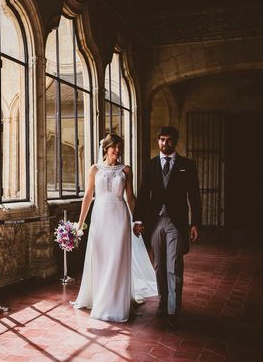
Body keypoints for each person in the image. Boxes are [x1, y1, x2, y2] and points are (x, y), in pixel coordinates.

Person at [72, 133, 157, 322]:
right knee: (101, 259)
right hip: (100, 218)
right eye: (114, 147)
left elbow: (130, 198)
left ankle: (115, 303)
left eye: (120, 147)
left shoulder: (126, 170)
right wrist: (80, 224)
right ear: (106, 147)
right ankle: (100, 297)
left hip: (120, 217)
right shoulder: (94, 169)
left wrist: (137, 221)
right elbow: (88, 197)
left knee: (117, 258)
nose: (117, 151)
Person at [133, 126, 201, 329]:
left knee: (174, 266)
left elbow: (194, 195)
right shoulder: (151, 165)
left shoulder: (187, 165)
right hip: (155, 223)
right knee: (159, 266)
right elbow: (144, 194)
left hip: (176, 224)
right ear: (158, 141)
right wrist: (138, 220)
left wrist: (195, 222)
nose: (165, 143)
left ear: (176, 141)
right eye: (161, 139)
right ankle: (163, 303)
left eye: (169, 140)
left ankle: (173, 309)